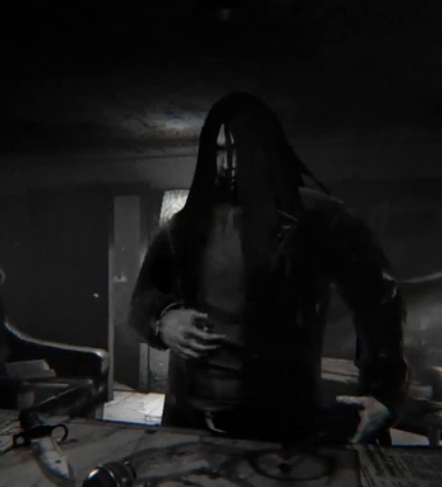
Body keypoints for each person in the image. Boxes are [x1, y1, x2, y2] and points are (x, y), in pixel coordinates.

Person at [130, 92, 408, 445]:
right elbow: (142, 299)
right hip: (188, 420)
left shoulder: (316, 217)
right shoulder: (184, 226)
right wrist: (163, 319)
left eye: (241, 150)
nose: (229, 164)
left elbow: (379, 298)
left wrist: (383, 392)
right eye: (219, 151)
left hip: (279, 422)